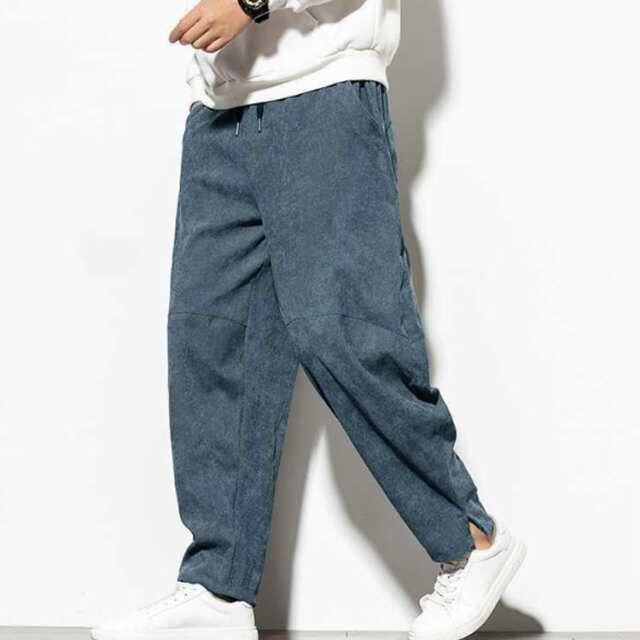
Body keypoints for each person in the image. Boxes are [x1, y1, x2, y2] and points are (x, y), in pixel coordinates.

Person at [92, 1, 526, 639]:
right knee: (210, 343)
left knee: (346, 332)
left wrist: (251, 3)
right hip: (219, 112)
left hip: (324, 97)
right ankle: (217, 588)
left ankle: (472, 542)